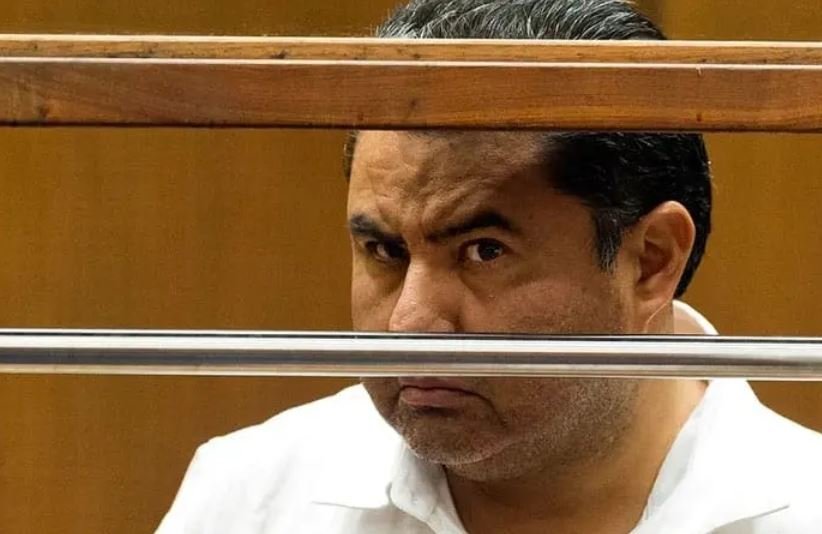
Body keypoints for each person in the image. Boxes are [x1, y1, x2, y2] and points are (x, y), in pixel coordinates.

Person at [156, 1, 822, 533]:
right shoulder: (250, 497)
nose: (410, 324)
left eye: (483, 251)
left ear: (650, 261)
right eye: (385, 251)